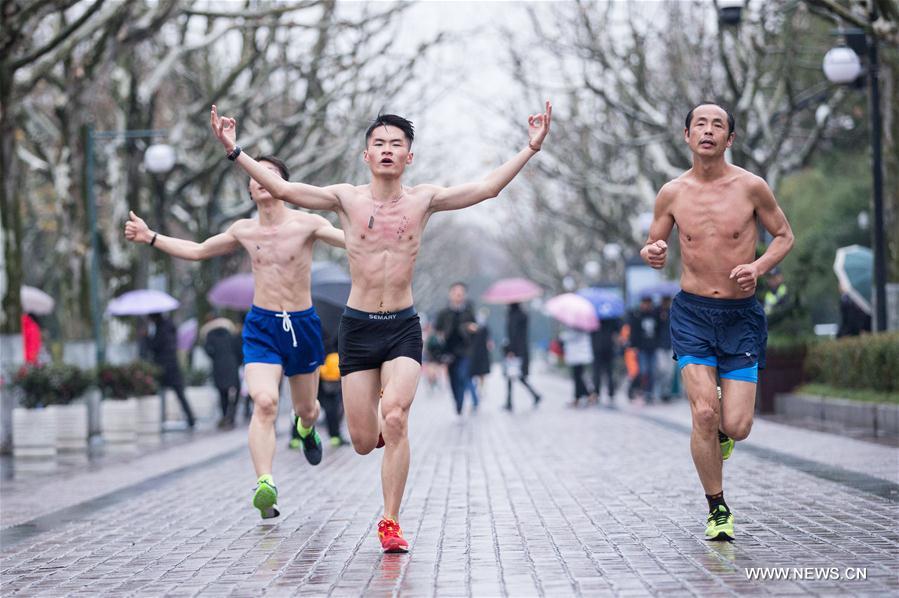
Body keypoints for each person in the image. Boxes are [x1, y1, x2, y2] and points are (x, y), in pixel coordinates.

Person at [210, 100, 551, 552]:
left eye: (397, 144)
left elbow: (486, 188)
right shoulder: (345, 199)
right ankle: (349, 434)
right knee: (362, 439)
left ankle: (390, 521)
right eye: (379, 143)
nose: (387, 149)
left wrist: (529, 148)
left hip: (403, 327)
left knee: (396, 418)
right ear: (365, 154)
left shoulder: (425, 199)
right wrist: (236, 152)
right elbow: (282, 189)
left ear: (410, 156)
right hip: (359, 328)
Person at [124, 155, 346, 520]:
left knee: (307, 408)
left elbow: (354, 242)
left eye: (269, 174)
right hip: (262, 327)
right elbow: (198, 251)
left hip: (303, 327)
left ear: (283, 185)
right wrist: (151, 237)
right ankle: (265, 484)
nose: (259, 180)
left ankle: (305, 428)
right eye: (253, 175)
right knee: (264, 402)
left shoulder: (308, 223)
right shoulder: (244, 229)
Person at [640, 102, 794, 542]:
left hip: (740, 316)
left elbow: (784, 236)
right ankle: (717, 507)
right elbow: (653, 245)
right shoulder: (671, 193)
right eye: (700, 124)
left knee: (738, 425)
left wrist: (759, 266)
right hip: (691, 313)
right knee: (704, 413)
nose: (708, 131)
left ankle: (723, 433)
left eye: (718, 125)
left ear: (729, 139)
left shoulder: (752, 188)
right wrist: (651, 254)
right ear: (687, 135)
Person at [435, 282, 478, 415]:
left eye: (461, 293)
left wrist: (471, 328)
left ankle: (462, 400)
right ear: (451, 294)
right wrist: (440, 337)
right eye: (456, 292)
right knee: (453, 379)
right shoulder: (444, 313)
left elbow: (475, 326)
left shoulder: (469, 310)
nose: (458, 295)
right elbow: (438, 329)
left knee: (462, 374)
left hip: (465, 349)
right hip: (449, 350)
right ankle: (458, 402)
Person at [146, 312, 196, 429]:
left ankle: (154, 421)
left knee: (155, 392)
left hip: (164, 367)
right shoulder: (169, 326)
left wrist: (147, 338)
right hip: (172, 365)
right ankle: (190, 419)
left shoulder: (161, 329)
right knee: (180, 394)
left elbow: (155, 346)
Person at [201, 315, 241, 429]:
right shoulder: (231, 334)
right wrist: (237, 362)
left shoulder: (210, 336)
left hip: (218, 367)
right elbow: (239, 350)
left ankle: (225, 416)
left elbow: (208, 351)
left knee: (222, 393)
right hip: (232, 365)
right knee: (235, 390)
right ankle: (231, 415)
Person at [503, 302, 542, 411]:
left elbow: (513, 335)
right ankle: (511, 401)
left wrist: (511, 350)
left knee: (513, 376)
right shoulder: (522, 315)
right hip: (521, 350)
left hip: (515, 351)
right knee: (515, 376)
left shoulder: (514, 316)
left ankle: (511, 402)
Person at [627, 296, 659, 403]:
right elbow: (633, 332)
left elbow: (660, 329)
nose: (647, 305)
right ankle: (634, 388)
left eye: (649, 303)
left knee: (652, 371)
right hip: (641, 348)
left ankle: (649, 392)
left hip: (653, 347)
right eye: (645, 303)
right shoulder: (637, 315)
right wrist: (633, 346)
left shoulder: (655, 315)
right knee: (642, 371)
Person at [559, 326, 594, 407]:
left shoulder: (576, 327)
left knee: (577, 377)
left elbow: (570, 337)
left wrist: (562, 336)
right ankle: (582, 396)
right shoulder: (581, 327)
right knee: (578, 377)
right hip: (577, 355)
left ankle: (585, 395)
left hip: (577, 355)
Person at [591, 316, 622, 405]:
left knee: (602, 372)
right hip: (606, 347)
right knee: (605, 372)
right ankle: (605, 393)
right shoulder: (611, 317)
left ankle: (600, 393)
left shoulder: (595, 317)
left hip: (601, 347)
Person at [469, 307, 493, 396]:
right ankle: (476, 389)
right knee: (475, 373)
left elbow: (488, 340)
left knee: (482, 373)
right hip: (475, 353)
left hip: (482, 353)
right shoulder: (474, 327)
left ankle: (480, 389)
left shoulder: (485, 328)